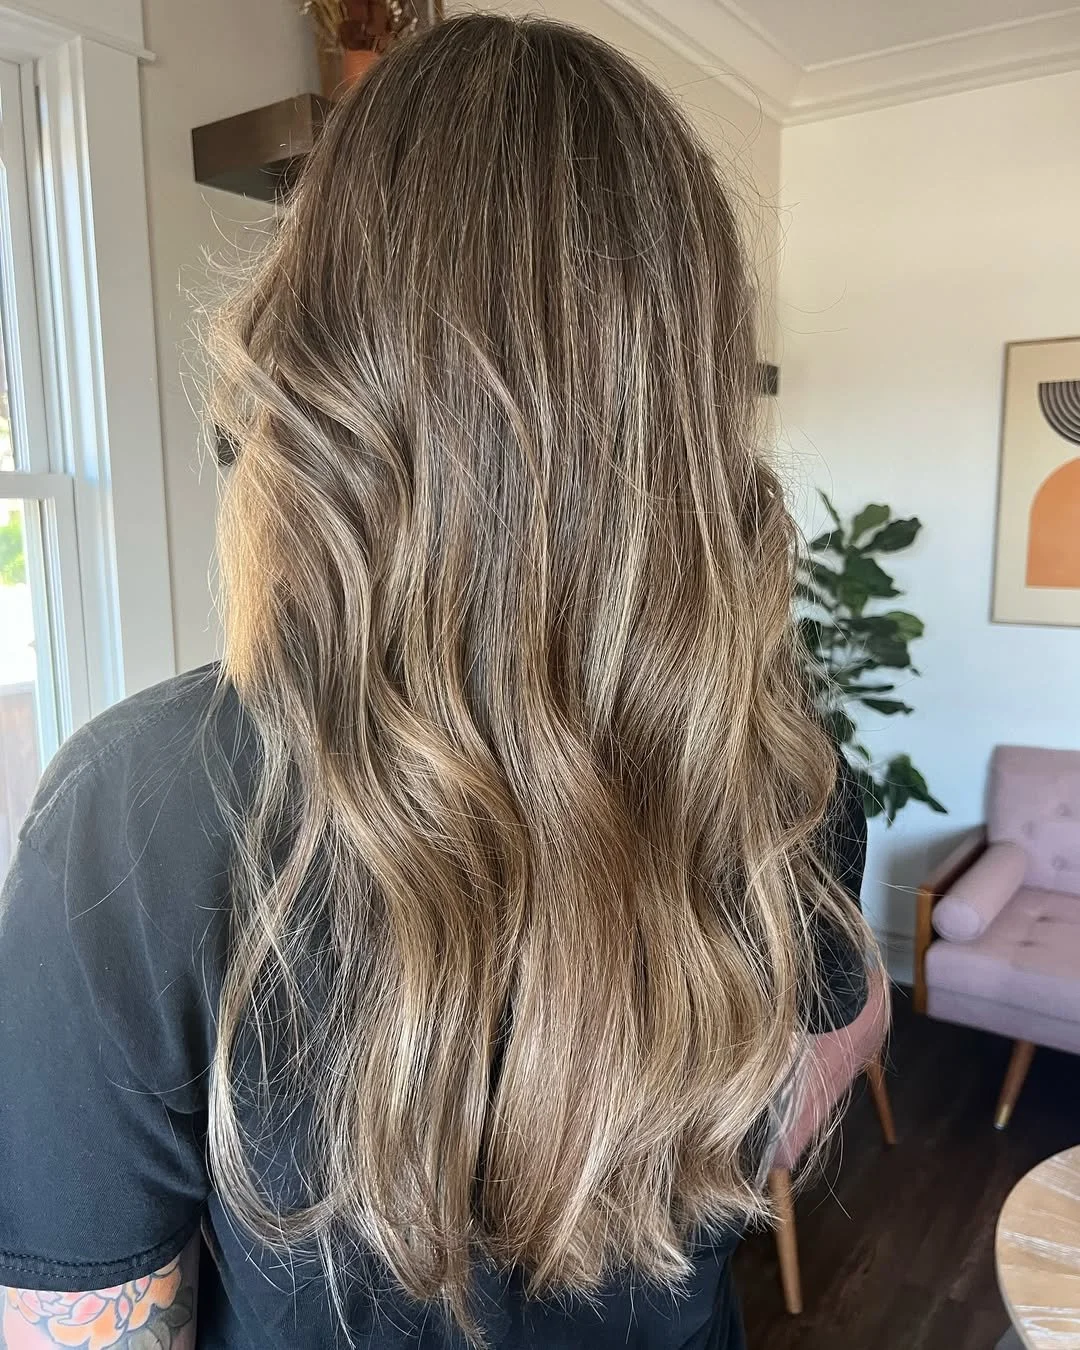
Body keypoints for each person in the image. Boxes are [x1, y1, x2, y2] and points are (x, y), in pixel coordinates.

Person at [0, 15, 875, 1350]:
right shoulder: (781, 766)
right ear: (690, 406)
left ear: (314, 372)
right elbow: (808, 1077)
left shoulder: (136, 815)